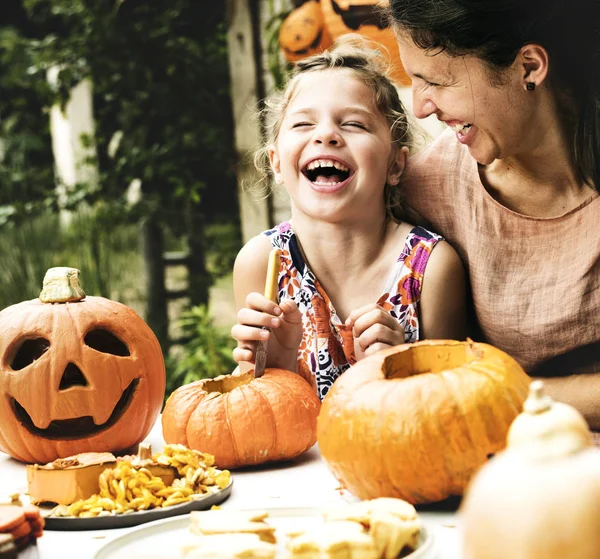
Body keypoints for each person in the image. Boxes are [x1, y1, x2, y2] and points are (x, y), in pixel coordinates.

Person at [388, 0, 600, 426]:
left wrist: (498, 393)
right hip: (503, 470)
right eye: (414, 81)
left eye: (437, 82)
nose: (421, 107)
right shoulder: (428, 189)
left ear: (528, 67)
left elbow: (460, 389)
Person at [230, 39, 467, 399]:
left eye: (354, 124)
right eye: (304, 123)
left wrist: (402, 370)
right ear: (277, 163)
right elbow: (252, 413)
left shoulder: (431, 268)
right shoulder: (262, 263)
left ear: (395, 164)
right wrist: (275, 369)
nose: (326, 134)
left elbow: (456, 401)